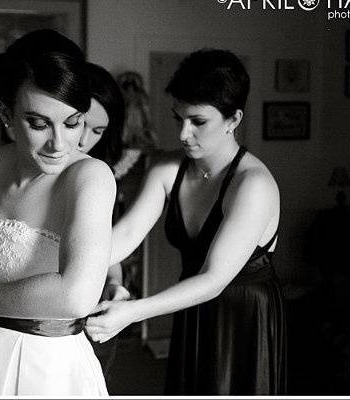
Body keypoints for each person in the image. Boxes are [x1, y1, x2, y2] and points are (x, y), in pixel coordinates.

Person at [85, 49, 286, 395]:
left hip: (244, 317)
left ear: (234, 119)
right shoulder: (166, 168)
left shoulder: (253, 184)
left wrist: (132, 312)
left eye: (197, 121)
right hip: (191, 306)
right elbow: (126, 235)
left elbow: (213, 278)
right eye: (178, 118)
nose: (182, 133)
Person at [0, 30, 115, 396]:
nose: (60, 143)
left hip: (49, 369)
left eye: (73, 123)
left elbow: (76, 295)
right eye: (39, 124)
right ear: (6, 113)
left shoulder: (89, 177)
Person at [79, 62, 130, 379]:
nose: (85, 140)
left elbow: (109, 247)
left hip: (90, 310)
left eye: (98, 131)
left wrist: (115, 284)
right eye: (79, 124)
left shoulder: (101, 176)